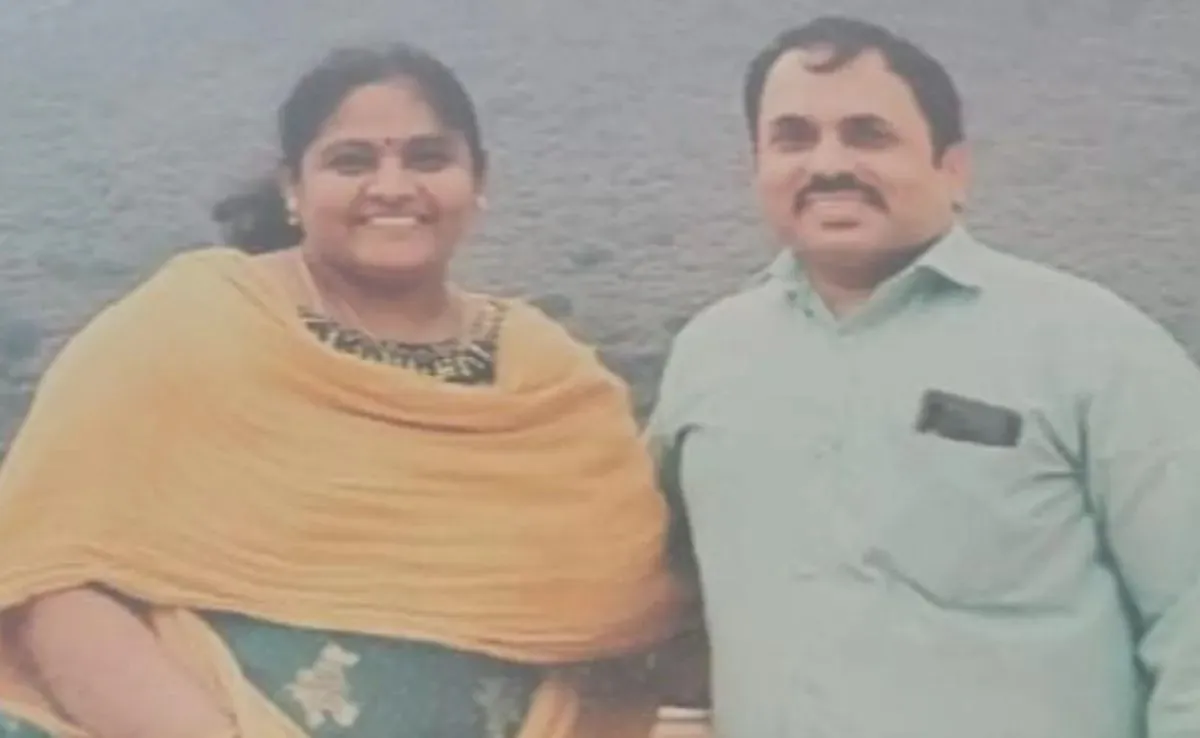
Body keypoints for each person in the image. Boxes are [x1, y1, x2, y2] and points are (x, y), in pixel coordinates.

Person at [0, 43, 694, 738]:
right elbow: (49, 576)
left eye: (428, 158)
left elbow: (623, 626)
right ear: (293, 187)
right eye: (351, 161)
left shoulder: (551, 379)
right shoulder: (191, 322)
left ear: (478, 180)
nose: (392, 186)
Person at [648, 14, 1200, 738]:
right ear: (758, 167)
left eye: (868, 134)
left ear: (953, 170)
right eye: (793, 138)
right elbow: (657, 586)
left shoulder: (1095, 348)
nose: (828, 164)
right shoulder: (710, 355)